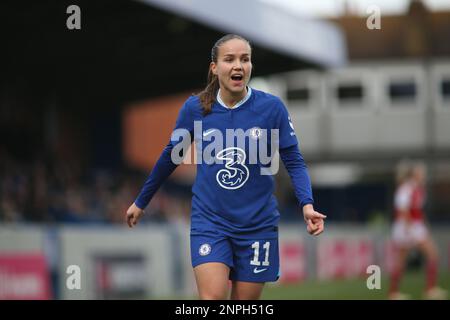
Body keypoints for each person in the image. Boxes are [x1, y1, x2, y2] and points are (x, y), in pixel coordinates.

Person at [125, 34, 326, 300]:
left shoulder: (272, 108)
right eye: (229, 59)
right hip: (210, 222)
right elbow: (171, 157)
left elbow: (294, 161)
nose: (238, 66)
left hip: (258, 225)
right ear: (214, 68)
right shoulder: (194, 109)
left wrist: (307, 204)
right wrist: (141, 201)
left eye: (245, 59)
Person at [389, 160, 447, 300]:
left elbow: (418, 211)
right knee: (432, 254)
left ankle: (393, 292)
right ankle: (429, 289)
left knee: (403, 259)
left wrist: (423, 225)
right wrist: (411, 229)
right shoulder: (406, 188)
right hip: (407, 226)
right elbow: (403, 210)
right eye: (421, 173)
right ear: (414, 174)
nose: (423, 175)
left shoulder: (418, 189)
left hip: (414, 226)